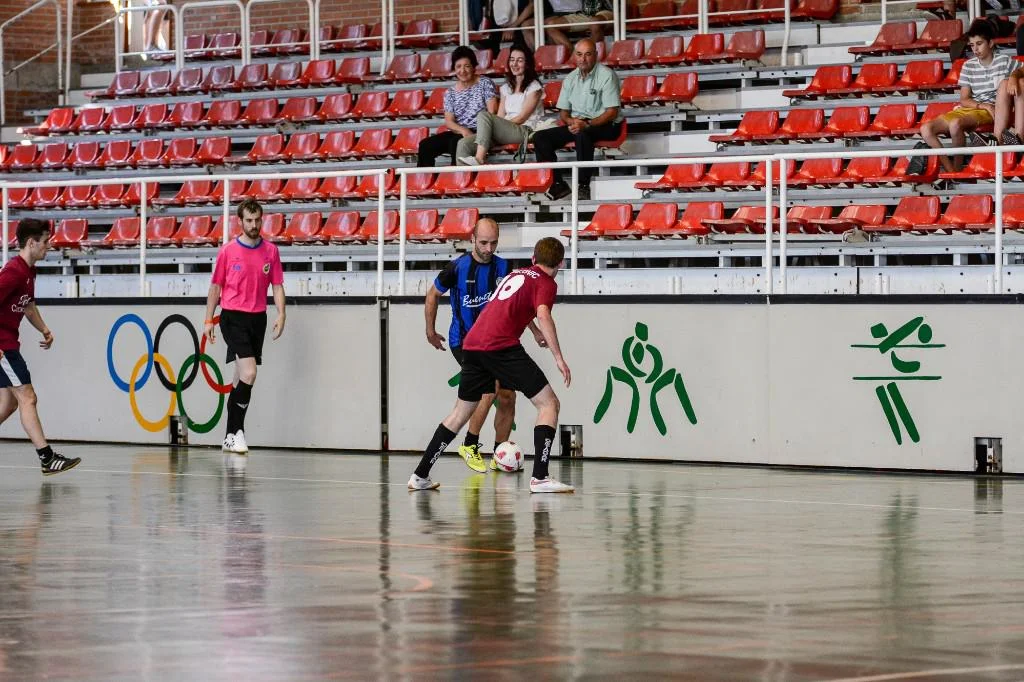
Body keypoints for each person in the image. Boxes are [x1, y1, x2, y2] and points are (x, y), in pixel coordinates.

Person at [409, 237, 575, 494]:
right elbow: (543, 314)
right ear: (561, 263)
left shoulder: (517, 274)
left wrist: (532, 332)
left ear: (533, 259)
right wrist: (559, 358)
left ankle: (420, 475)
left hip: (472, 345)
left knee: (459, 414)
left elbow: (511, 307)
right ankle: (540, 477)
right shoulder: (546, 282)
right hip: (500, 346)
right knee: (549, 404)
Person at [426, 218, 547, 471]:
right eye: (483, 243)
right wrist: (430, 330)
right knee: (489, 389)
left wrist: (535, 331)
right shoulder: (457, 267)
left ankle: (500, 454)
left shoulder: (504, 268)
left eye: (493, 243)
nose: (488, 249)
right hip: (466, 342)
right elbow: (433, 294)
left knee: (508, 397)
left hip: (498, 344)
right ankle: (470, 444)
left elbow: (514, 305)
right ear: (472, 239)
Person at [204, 198, 286, 455]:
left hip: (257, 318)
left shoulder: (271, 251)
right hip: (233, 317)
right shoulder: (228, 251)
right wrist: (208, 319)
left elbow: (277, 285)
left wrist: (281, 313)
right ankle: (236, 432)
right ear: (240, 221)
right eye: (249, 220)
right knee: (250, 373)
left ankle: (229, 435)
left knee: (239, 378)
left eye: (257, 220)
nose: (254, 225)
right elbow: (215, 287)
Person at [0, 219, 80, 476]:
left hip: (10, 344)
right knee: (28, 397)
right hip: (3, 347)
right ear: (31, 243)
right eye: (45, 242)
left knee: (8, 405)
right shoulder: (13, 272)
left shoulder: (28, 272)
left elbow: (28, 306)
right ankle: (47, 457)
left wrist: (44, 329)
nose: (49, 246)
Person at [908, 21, 1014, 175]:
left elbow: (1020, 72)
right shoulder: (968, 65)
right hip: (974, 107)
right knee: (926, 129)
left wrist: (1014, 82)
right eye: (972, 45)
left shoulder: (1004, 61)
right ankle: (952, 171)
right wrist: (983, 105)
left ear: (990, 43)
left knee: (955, 124)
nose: (975, 49)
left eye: (979, 44)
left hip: (991, 110)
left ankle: (958, 169)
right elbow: (964, 99)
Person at [532, 38, 622, 201]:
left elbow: (612, 112)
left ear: (596, 55)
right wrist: (571, 122)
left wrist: (586, 124)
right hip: (578, 122)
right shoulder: (570, 78)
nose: (583, 59)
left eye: (588, 54)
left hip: (606, 124)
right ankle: (557, 184)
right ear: (574, 56)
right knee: (540, 137)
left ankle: (583, 185)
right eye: (579, 54)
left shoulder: (607, 75)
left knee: (583, 134)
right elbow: (563, 112)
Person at [457, 44, 552, 166]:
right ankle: (464, 178)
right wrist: (498, 127)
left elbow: (522, 118)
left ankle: (479, 159)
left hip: (524, 130)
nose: (514, 64)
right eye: (512, 60)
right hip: (504, 131)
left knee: (483, 115)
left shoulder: (534, 87)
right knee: (463, 144)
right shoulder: (506, 88)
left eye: (519, 60)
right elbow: (500, 116)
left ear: (527, 64)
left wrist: (498, 127)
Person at [417, 45, 499, 168]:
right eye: (458, 66)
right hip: (460, 131)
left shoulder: (485, 83)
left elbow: (492, 111)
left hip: (482, 131)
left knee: (456, 142)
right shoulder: (450, 92)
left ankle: (457, 177)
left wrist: (475, 132)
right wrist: (463, 130)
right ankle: (426, 178)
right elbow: (449, 121)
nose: (462, 71)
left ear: (474, 67)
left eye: (467, 66)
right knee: (425, 145)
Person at [544, 0, 613, 48]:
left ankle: (593, 54)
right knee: (551, 25)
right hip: (586, 13)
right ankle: (572, 55)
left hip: (605, 11)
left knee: (595, 22)